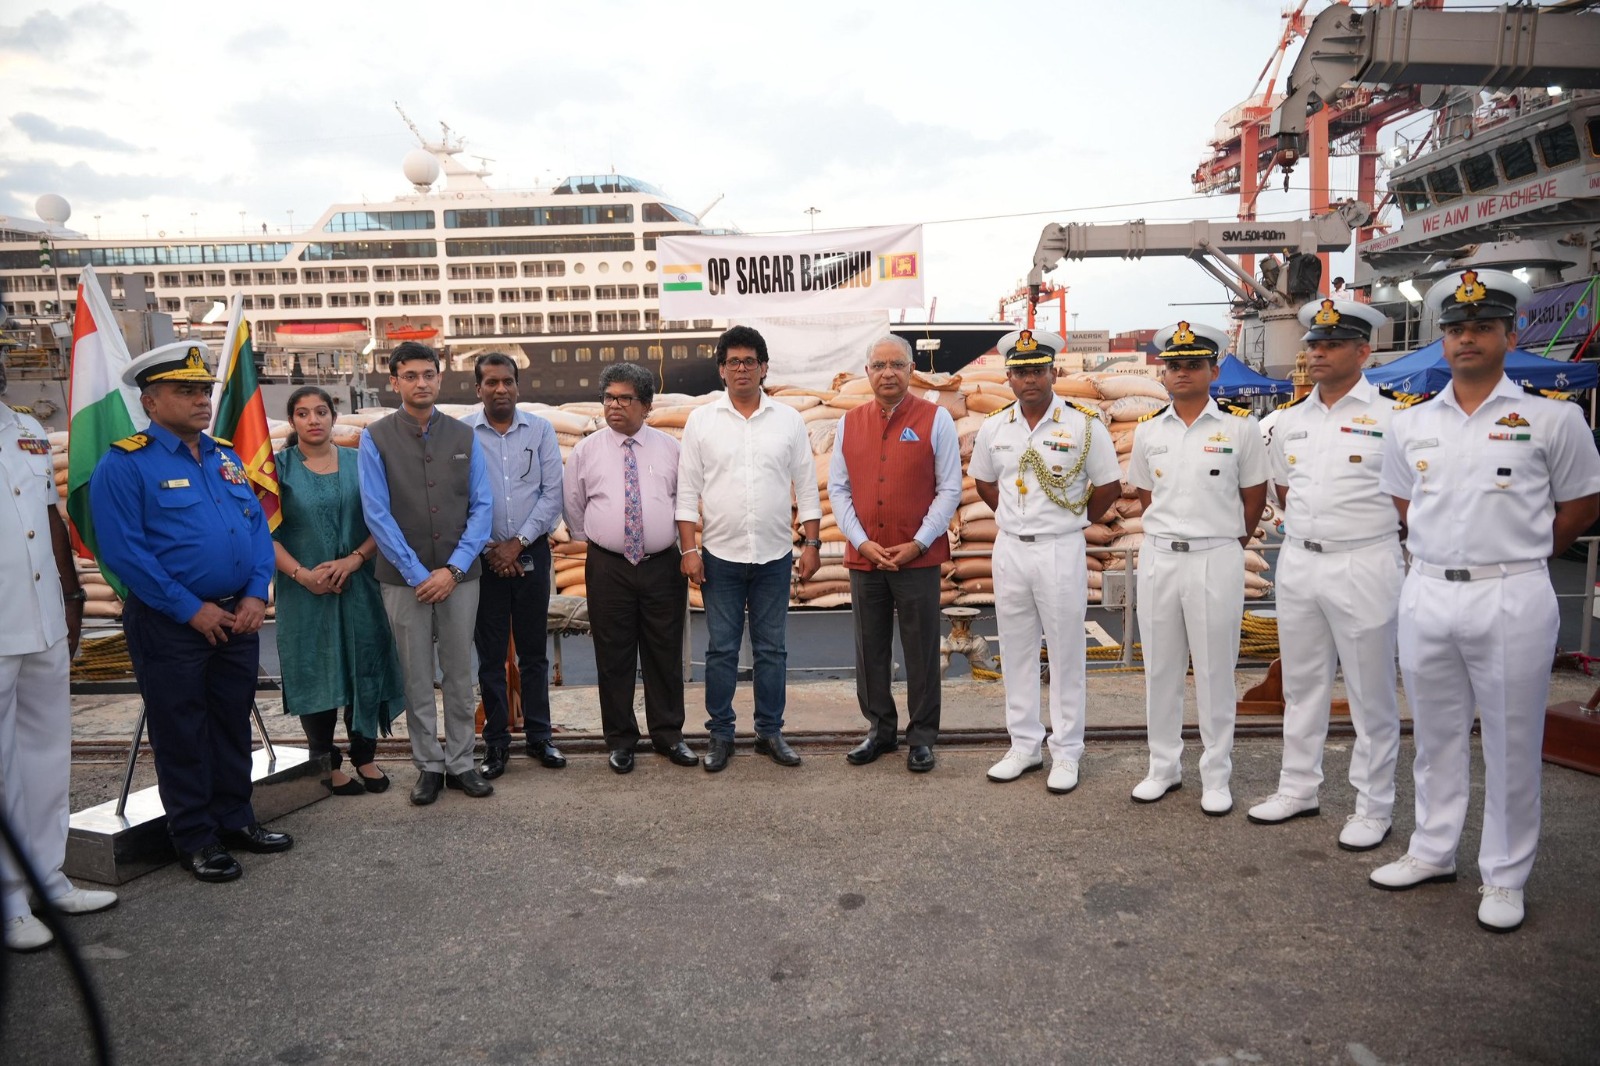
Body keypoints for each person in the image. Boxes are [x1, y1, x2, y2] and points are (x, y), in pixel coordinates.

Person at [1372, 268, 1600, 933]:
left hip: (1511, 592)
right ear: (1443, 340)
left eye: (1482, 327)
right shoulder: (1410, 424)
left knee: (1511, 740)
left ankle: (1504, 875)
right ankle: (1432, 850)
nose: (1467, 338)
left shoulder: (1552, 418)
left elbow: (1582, 503)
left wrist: (1521, 552)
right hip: (1428, 589)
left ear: (1509, 335)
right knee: (1435, 735)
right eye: (1456, 329)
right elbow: (1405, 502)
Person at [89, 341, 291, 882]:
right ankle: (196, 837)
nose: (202, 400)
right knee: (181, 731)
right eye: (187, 391)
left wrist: (256, 593)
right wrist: (189, 609)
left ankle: (235, 819)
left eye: (204, 390)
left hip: (237, 616)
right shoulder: (126, 463)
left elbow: (255, 528)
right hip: (170, 624)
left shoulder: (225, 456)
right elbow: (125, 552)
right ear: (151, 402)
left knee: (231, 723)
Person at [1247, 299, 1403, 850]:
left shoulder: (1396, 419)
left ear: (1363, 351)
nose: (1317, 353)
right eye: (1313, 344)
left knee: (1370, 691)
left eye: (1331, 344)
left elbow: (1412, 500)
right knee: (1302, 684)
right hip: (1301, 561)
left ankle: (1373, 806)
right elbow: (1286, 491)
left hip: (1365, 560)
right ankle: (1298, 787)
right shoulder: (1288, 422)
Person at [1127, 322, 1269, 816]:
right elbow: (1146, 495)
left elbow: (1254, 498)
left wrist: (1225, 542)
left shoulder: (1240, 427)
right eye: (1174, 365)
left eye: (1193, 364)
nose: (1182, 372)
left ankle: (1216, 774)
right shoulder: (1148, 430)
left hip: (1215, 556)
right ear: (1164, 374)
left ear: (1213, 370)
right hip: (1160, 556)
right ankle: (1162, 767)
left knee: (1214, 670)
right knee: (1160, 668)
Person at [970, 330, 1122, 792]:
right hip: (1010, 547)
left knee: (1065, 652)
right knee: (1015, 649)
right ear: (1009, 377)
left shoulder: (1083, 425)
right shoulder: (995, 427)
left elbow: (1109, 487)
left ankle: (1067, 751)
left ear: (1053, 372)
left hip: (1059, 547)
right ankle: (1024, 746)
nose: (1029, 379)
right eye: (1020, 371)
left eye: (1038, 369)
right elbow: (985, 482)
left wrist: (1073, 520)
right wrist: (1014, 517)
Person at [676, 326, 821, 773]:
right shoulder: (702, 421)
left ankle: (769, 732)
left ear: (764, 368)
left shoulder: (788, 420)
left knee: (772, 649)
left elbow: (807, 487)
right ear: (721, 370)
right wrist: (689, 550)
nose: (742, 369)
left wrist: (813, 543)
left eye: (750, 361)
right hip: (719, 556)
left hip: (774, 556)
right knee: (721, 650)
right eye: (733, 362)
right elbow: (686, 491)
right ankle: (720, 735)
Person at [2, 399, 117, 950]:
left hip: (43, 616)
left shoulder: (25, 428)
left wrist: (72, 596)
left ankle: (48, 878)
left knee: (48, 754)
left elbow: (50, 516)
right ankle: (8, 900)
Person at [358, 341, 495, 806]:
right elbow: (377, 513)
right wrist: (418, 573)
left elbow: (482, 507)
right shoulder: (375, 438)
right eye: (411, 376)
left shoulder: (464, 436)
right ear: (394, 381)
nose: (421, 383)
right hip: (403, 580)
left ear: (440, 378)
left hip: (461, 577)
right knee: (416, 674)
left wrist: (453, 569)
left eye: (428, 374)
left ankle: (461, 761)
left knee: (459, 672)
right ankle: (428, 766)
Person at [829, 336, 963, 772]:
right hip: (865, 557)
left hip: (917, 558)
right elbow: (838, 489)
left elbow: (950, 489)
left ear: (911, 371)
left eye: (897, 365)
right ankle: (880, 730)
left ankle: (921, 736)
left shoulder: (936, 419)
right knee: (869, 648)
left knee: (920, 649)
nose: (888, 373)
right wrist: (860, 541)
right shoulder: (849, 423)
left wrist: (919, 542)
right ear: (867, 372)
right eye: (879, 365)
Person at [271, 386, 405, 796]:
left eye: (321, 411)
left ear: (333, 416)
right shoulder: (275, 470)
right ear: (292, 421)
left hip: (359, 584)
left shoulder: (360, 462)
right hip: (304, 590)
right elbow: (260, 531)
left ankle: (365, 755)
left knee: (364, 662)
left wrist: (355, 559)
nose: (313, 420)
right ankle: (324, 762)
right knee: (315, 668)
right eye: (303, 413)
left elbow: (384, 521)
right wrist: (302, 575)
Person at [564, 362, 695, 773]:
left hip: (662, 565)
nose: (614, 406)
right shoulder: (586, 450)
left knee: (664, 652)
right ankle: (620, 740)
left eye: (625, 398)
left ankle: (668, 735)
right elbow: (574, 505)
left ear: (647, 405)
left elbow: (685, 501)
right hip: (608, 567)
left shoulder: (671, 448)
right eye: (608, 398)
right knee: (613, 655)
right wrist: (603, 539)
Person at [463, 354, 566, 779]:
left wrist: (517, 544)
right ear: (478, 389)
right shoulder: (463, 434)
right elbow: (459, 498)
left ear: (518, 386)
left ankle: (540, 737)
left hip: (531, 553)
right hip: (482, 557)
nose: (500, 389)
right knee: (490, 657)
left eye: (507, 381)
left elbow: (552, 495)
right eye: (491, 382)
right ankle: (496, 743)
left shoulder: (540, 430)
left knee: (534, 653)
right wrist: (493, 548)